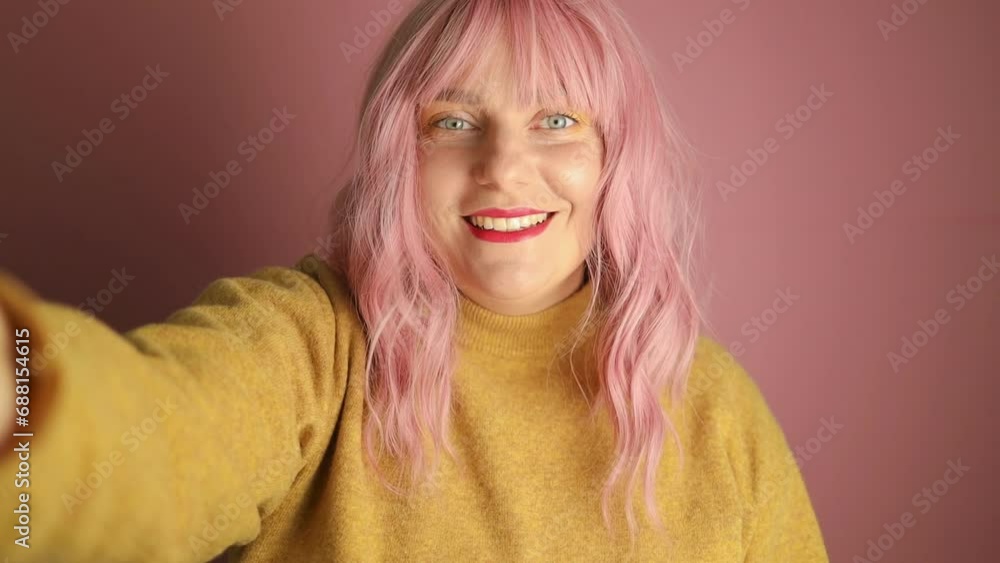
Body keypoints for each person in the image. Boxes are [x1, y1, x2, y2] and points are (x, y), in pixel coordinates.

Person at [0, 0, 829, 561]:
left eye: (557, 120)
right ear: (403, 157)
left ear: (615, 160)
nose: (504, 167)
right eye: (454, 121)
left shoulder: (718, 411)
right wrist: (21, 401)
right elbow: (148, 446)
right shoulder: (312, 345)